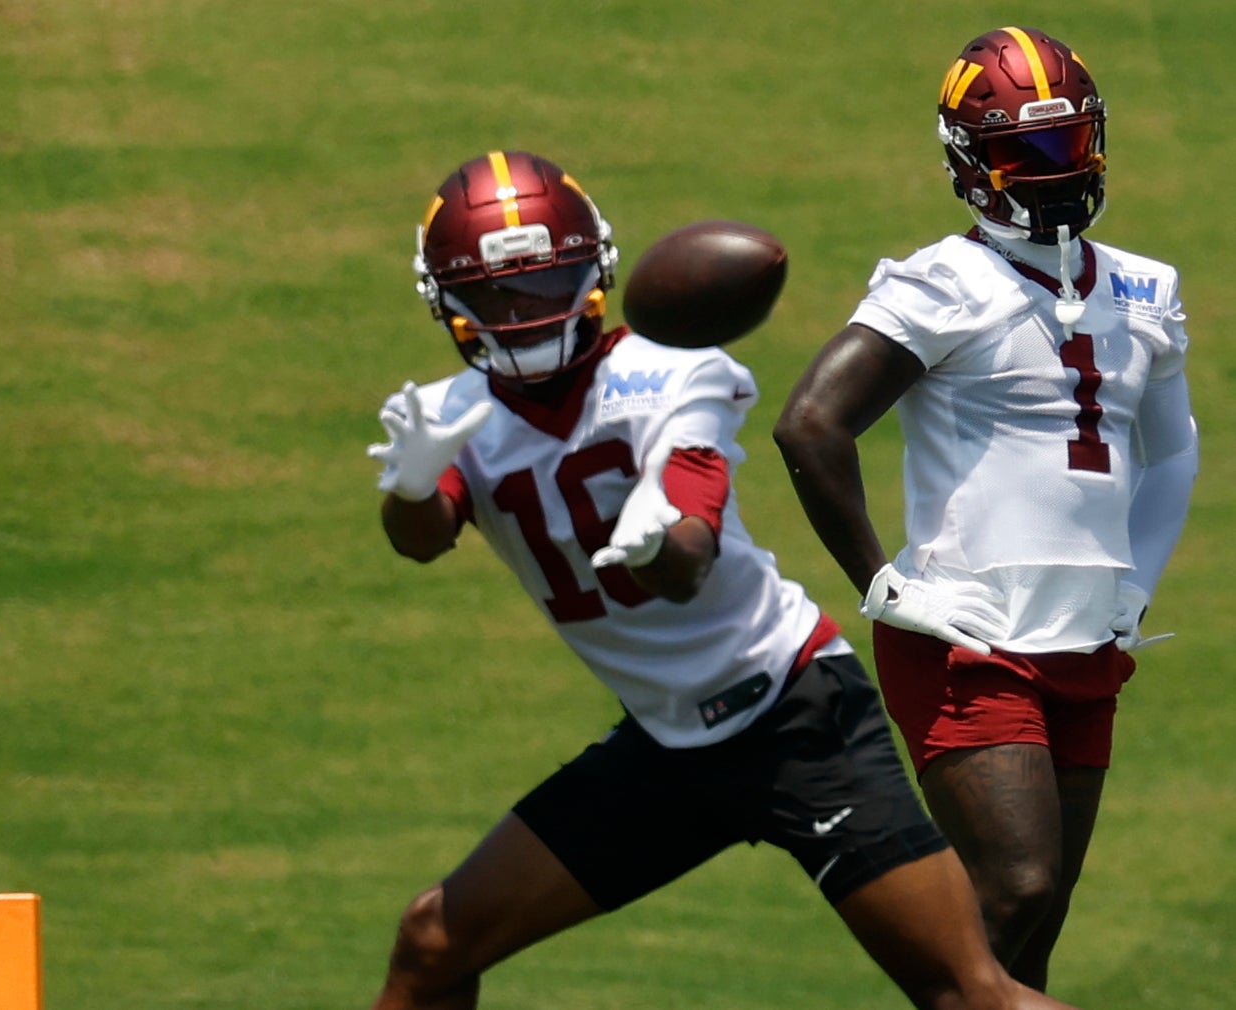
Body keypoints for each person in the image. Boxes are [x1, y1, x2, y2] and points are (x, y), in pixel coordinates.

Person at [365, 148, 1086, 1010]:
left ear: (593, 275)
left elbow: (687, 554)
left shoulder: (676, 370)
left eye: (541, 287)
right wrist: (409, 487)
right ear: (447, 302)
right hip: (669, 744)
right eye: (492, 295)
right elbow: (419, 540)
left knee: (969, 992)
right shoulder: (449, 415)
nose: (519, 314)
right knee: (433, 941)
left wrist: (656, 543)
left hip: (792, 714)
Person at [773, 26, 1199, 993]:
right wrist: (884, 584)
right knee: (1012, 889)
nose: (1055, 172)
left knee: (1029, 931)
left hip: (1086, 637)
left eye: (1070, 144)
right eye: (1025, 153)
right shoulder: (943, 282)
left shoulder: (1144, 285)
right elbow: (810, 426)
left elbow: (1171, 446)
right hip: (967, 633)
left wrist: (1139, 577)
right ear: (970, 164)